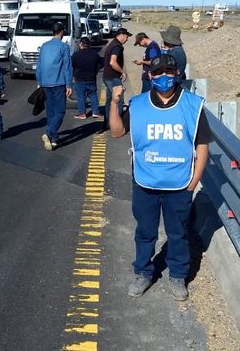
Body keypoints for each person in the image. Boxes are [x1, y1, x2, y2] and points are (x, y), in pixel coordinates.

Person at [108, 54, 210, 301]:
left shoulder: (192, 105)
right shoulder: (138, 105)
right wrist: (114, 103)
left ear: (177, 73)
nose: (163, 76)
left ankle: (178, 276)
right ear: (150, 75)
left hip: (180, 183)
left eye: (168, 71)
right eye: (158, 72)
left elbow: (202, 144)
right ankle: (143, 272)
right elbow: (117, 132)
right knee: (145, 232)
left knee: (178, 233)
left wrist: (194, 180)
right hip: (145, 182)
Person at [35, 22, 72, 151]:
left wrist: (39, 81)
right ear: (61, 32)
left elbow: (39, 66)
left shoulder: (44, 46)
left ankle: (54, 139)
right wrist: (69, 84)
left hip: (45, 83)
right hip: (59, 83)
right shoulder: (64, 47)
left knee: (50, 112)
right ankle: (49, 133)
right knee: (60, 111)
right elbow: (67, 67)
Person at [101, 28, 133, 130]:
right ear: (122, 35)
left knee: (109, 101)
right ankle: (117, 124)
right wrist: (122, 72)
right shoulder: (117, 46)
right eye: (126, 37)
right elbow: (112, 62)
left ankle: (108, 123)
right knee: (119, 100)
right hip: (113, 78)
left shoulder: (112, 44)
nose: (127, 39)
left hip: (107, 76)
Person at [71, 36, 103, 119]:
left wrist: (73, 76)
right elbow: (100, 64)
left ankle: (82, 113)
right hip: (91, 78)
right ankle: (96, 112)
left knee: (81, 97)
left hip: (79, 79)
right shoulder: (95, 54)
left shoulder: (76, 55)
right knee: (93, 95)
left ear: (81, 44)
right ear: (89, 44)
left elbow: (72, 66)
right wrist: (95, 72)